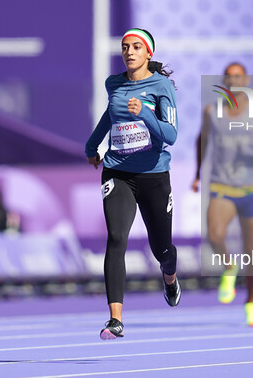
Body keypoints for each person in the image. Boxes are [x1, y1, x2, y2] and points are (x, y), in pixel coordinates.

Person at [85, 28, 180, 340]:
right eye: (125, 47)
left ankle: (169, 277)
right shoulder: (114, 83)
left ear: (147, 53)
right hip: (117, 172)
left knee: (161, 248)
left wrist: (147, 117)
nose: (129, 52)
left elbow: (171, 136)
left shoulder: (162, 86)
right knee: (116, 238)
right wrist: (92, 146)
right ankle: (116, 319)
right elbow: (110, 116)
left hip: (153, 175)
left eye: (136, 47)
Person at [192, 63, 253, 327]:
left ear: (246, 80)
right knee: (214, 234)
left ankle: (251, 303)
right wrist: (196, 173)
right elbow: (202, 140)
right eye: (229, 76)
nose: (233, 80)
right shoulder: (213, 111)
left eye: (238, 76)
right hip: (222, 185)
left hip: (251, 188)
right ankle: (229, 266)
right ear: (224, 80)